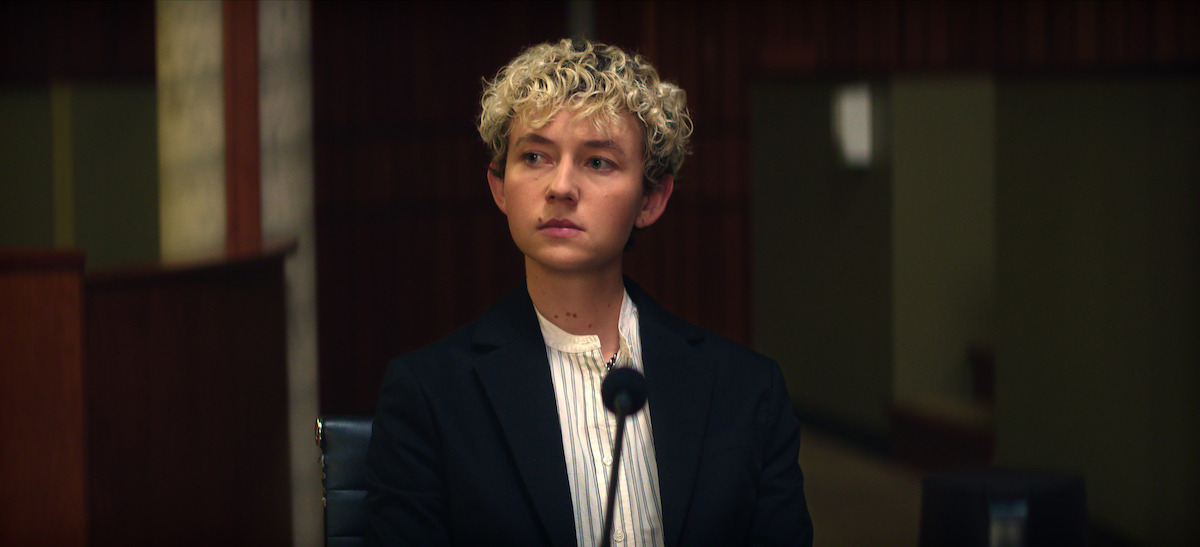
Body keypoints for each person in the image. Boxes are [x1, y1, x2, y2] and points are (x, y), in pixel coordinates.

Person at [365, 38, 813, 547]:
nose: (560, 187)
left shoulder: (747, 391)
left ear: (651, 198)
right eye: (534, 156)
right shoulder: (428, 394)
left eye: (598, 162)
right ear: (499, 188)